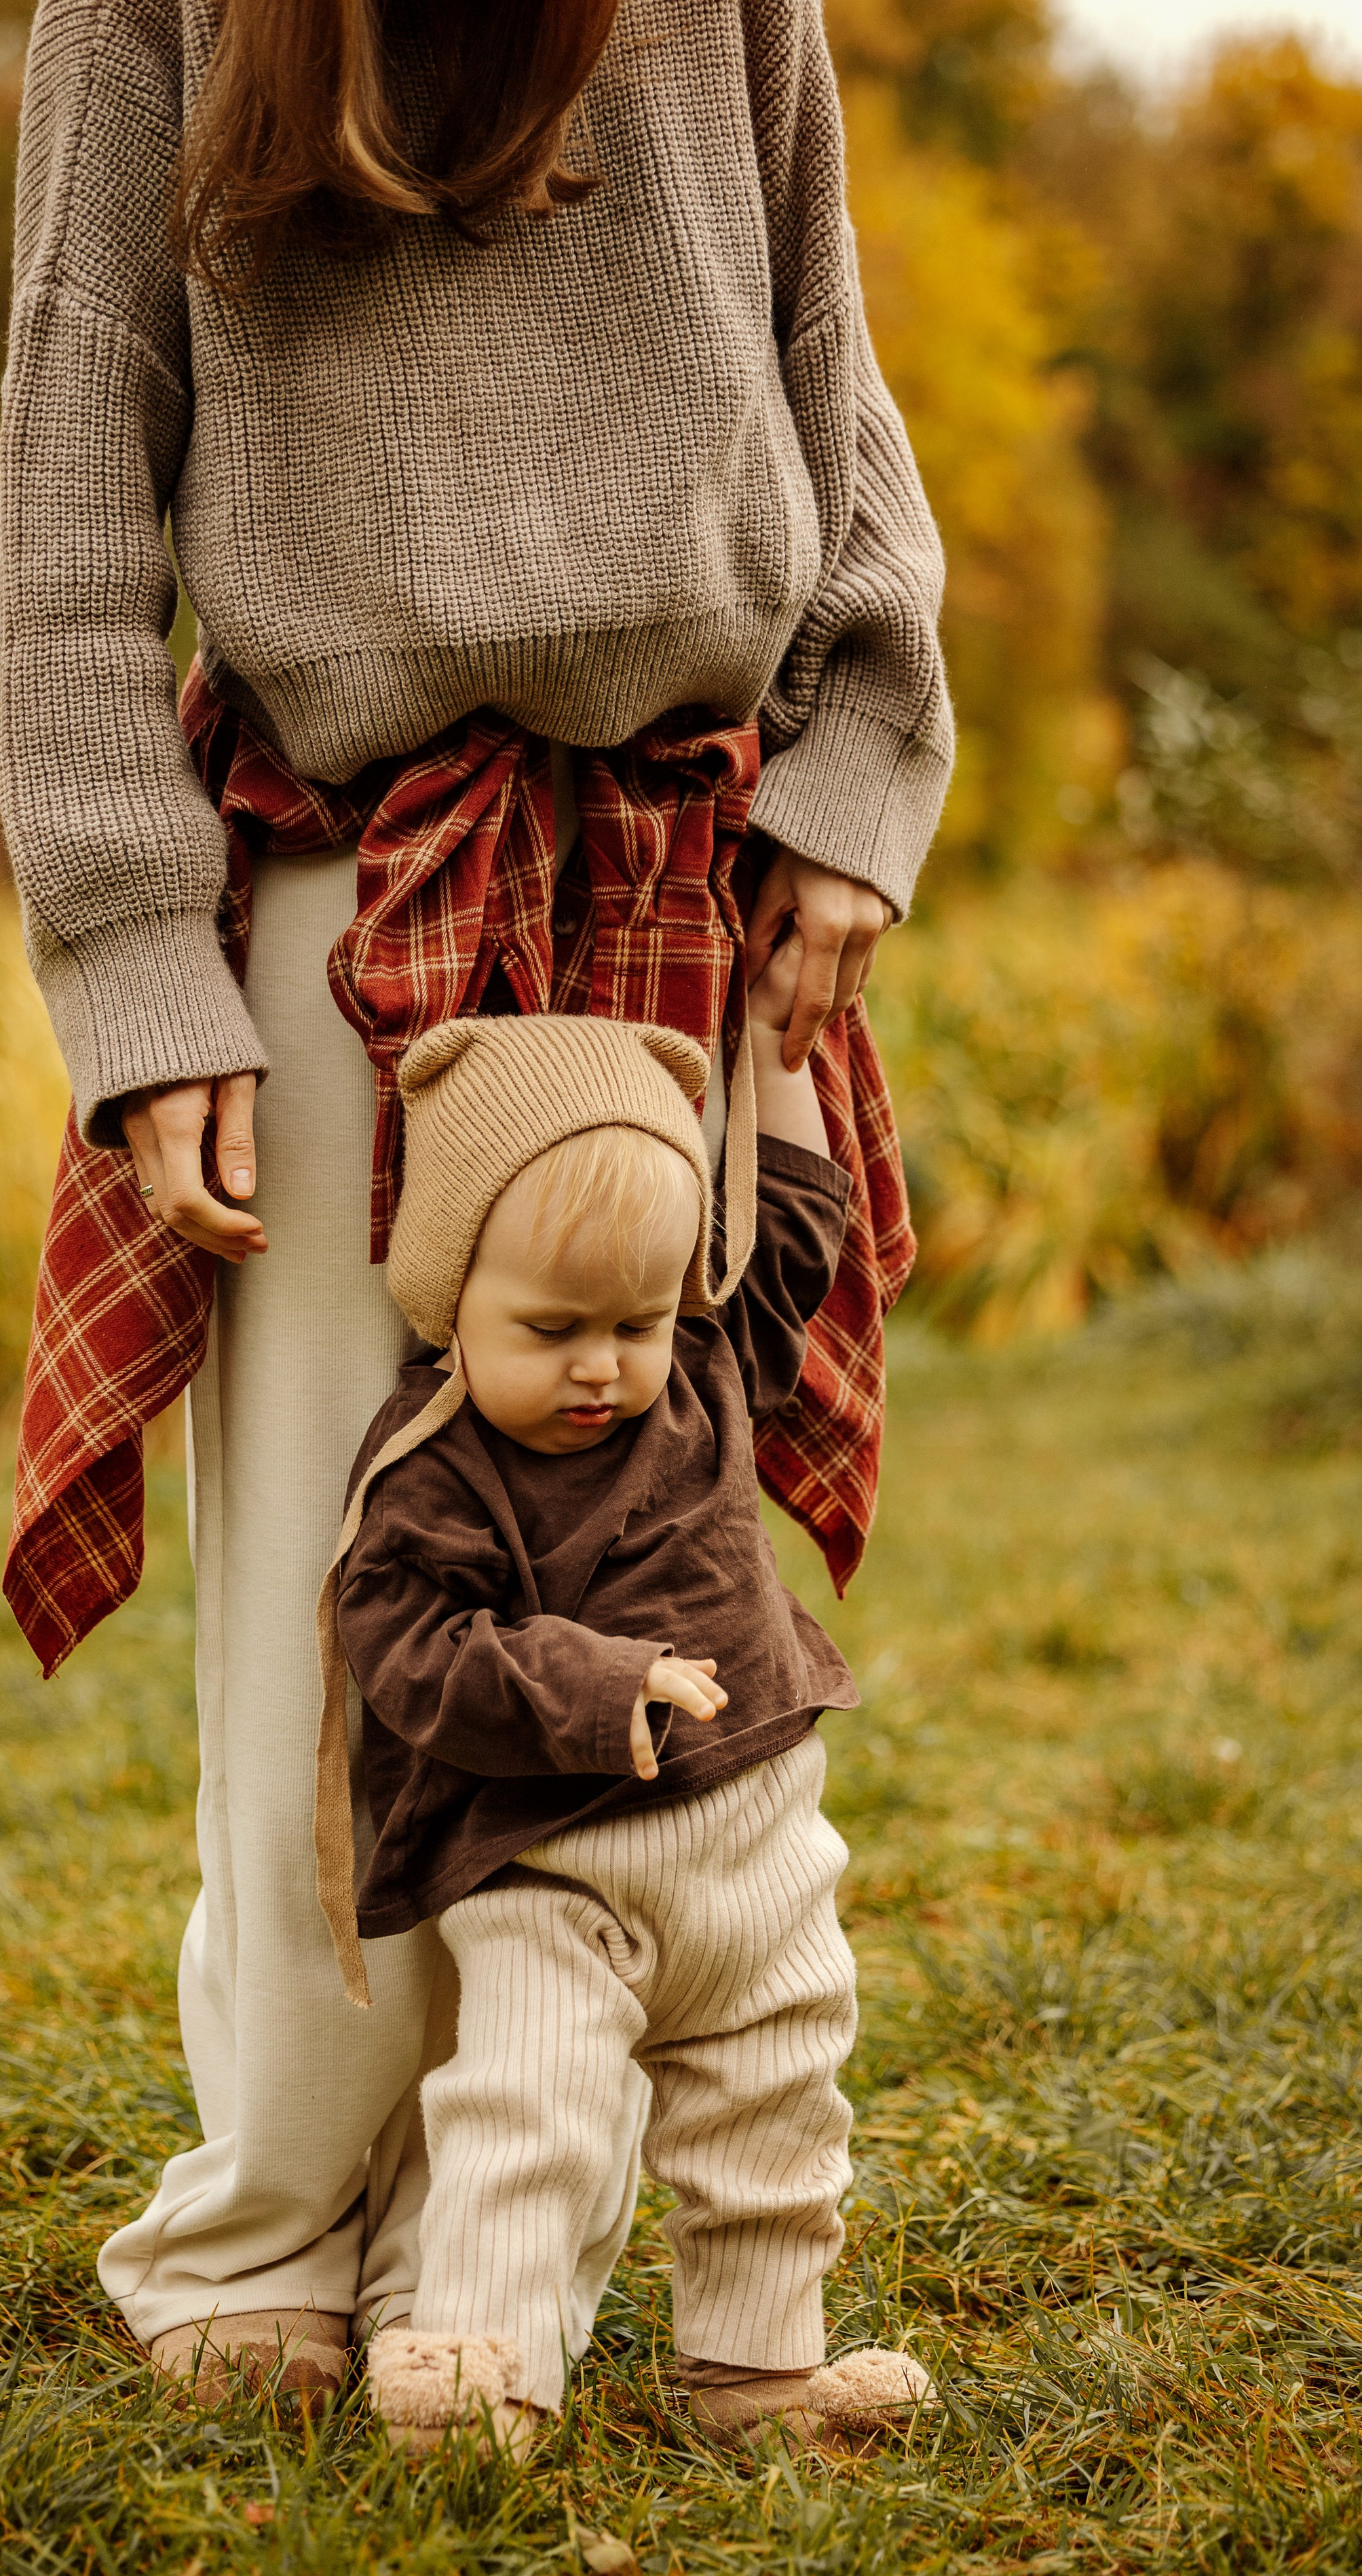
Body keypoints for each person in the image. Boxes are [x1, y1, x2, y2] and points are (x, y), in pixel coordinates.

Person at [0, 0, 951, 2402]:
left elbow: (825, 358)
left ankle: (499, 2235)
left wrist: (864, 749)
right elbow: (72, 461)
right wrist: (137, 967)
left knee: (642, 1550)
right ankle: (266, 2234)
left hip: (684, 854)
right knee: (336, 1587)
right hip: (339, 871)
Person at [320, 946, 932, 2453]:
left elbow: (788, 1240)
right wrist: (595, 1684)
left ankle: (758, 2376)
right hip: (555, 1873)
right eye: (551, 1332)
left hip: (757, 1859)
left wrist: (782, 1062)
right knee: (528, 2114)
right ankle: (482, 2376)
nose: (602, 1370)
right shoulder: (435, 1465)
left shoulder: (700, 1373)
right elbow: (400, 1644)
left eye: (634, 1324)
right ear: (452, 1289)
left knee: (779, 2112)